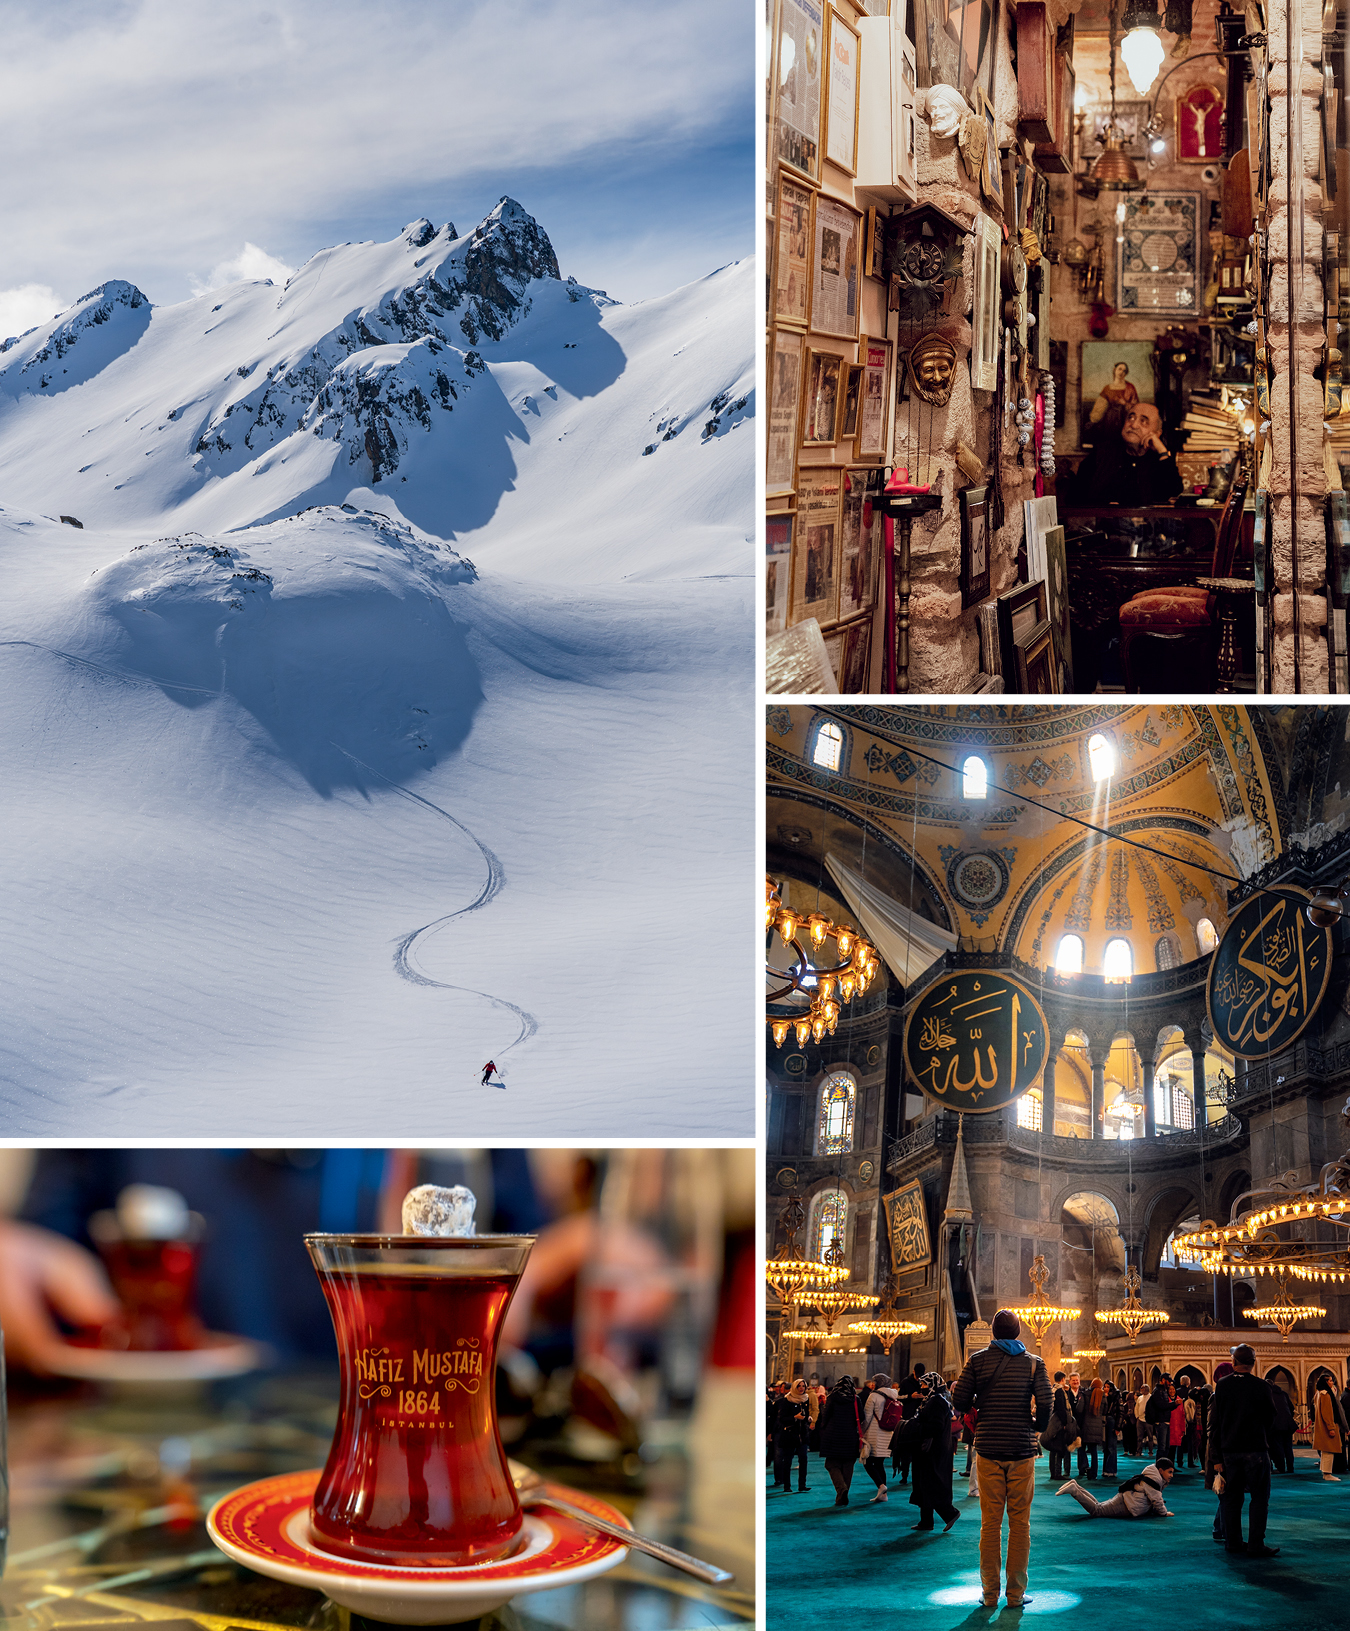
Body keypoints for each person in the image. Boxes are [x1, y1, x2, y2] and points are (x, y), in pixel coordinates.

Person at [951, 1308, 1052, 1609]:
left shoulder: (977, 1360)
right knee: (1020, 1524)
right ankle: (1016, 1595)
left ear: (993, 1333)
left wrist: (982, 1403)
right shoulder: (1034, 1363)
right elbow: (1046, 1401)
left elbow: (958, 1399)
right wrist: (1036, 1426)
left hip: (989, 1449)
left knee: (990, 1524)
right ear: (1018, 1331)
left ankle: (989, 1594)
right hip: (1021, 1449)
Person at [1210, 1343, 1279, 1557]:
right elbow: (1271, 1417)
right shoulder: (1261, 1386)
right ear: (1253, 1363)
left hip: (1229, 1452)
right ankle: (1256, 1544)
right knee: (1259, 1499)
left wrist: (1216, 1457)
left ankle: (1233, 1542)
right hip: (1256, 1451)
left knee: (1232, 1499)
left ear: (1234, 1362)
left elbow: (1215, 1424)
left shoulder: (1222, 1385)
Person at [1067, 401, 1184, 505]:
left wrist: (1162, 452)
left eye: (1143, 421)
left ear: (1157, 433)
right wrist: (1105, 505)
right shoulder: (1102, 453)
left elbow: (1173, 492)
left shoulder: (1159, 460)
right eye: (1130, 418)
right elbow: (1075, 497)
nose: (1133, 425)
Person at [895, 1370, 961, 1532]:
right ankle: (926, 1521)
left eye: (925, 1384)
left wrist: (915, 1426)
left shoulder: (936, 1401)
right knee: (924, 1485)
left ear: (933, 1385)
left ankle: (949, 1513)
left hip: (932, 1451)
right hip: (927, 1449)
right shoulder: (932, 1400)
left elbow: (935, 1426)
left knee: (930, 1484)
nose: (922, 1387)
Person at [1057, 1455, 1176, 1518]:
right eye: (1169, 1472)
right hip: (1127, 1505)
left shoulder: (1152, 1476)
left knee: (1098, 1506)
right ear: (1161, 1471)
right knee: (1097, 1511)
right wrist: (1164, 1513)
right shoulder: (1154, 1481)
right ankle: (1074, 1491)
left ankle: (1076, 1486)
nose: (1171, 1475)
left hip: (1126, 1499)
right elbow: (1157, 1500)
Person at [819, 1372, 866, 1506]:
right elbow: (861, 1417)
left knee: (831, 1464)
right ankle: (842, 1495)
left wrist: (823, 1429)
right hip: (850, 1436)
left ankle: (841, 1490)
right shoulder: (855, 1399)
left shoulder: (832, 1397)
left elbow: (825, 1416)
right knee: (848, 1466)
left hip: (833, 1436)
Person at [861, 1371, 902, 1502]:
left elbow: (867, 1417)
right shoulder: (893, 1395)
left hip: (874, 1434)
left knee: (867, 1461)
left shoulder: (873, 1396)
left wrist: (861, 1432)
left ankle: (881, 1486)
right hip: (888, 1434)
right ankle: (883, 1494)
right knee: (880, 1463)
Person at [773, 1378, 814, 1493]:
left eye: (803, 1386)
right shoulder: (787, 1400)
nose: (801, 1388)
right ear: (794, 1387)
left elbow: (804, 1415)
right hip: (790, 1435)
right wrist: (794, 1418)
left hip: (802, 1435)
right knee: (787, 1461)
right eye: (799, 1386)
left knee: (803, 1460)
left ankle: (802, 1485)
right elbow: (782, 1418)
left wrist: (808, 1418)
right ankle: (787, 1486)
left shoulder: (805, 1399)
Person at [893, 1361, 926, 1483]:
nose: (919, 1379)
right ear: (913, 1372)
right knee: (906, 1448)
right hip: (907, 1419)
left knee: (919, 1450)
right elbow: (898, 1397)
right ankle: (905, 1475)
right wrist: (910, 1396)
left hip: (921, 1420)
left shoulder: (926, 1382)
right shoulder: (905, 1382)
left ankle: (918, 1475)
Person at [1313, 1373, 1344, 1481]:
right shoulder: (1325, 1395)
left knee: (1325, 1450)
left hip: (1322, 1426)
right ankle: (1327, 1474)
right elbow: (1327, 1413)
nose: (1332, 1383)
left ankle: (1325, 1471)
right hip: (1327, 1426)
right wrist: (1331, 1427)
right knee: (1329, 1450)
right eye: (1330, 1381)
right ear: (1326, 1382)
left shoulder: (1318, 1393)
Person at [1046, 1371, 1075, 1483]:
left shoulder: (1052, 1389)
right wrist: (1064, 1423)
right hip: (1058, 1424)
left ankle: (1053, 1472)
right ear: (1063, 1379)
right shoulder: (1059, 1391)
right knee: (1059, 1447)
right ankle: (1057, 1473)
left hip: (1052, 1423)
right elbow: (1061, 1409)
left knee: (1053, 1449)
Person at [1075, 1376, 1105, 1480]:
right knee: (1094, 1451)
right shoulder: (1103, 1396)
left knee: (1081, 1447)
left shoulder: (1085, 1394)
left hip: (1086, 1426)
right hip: (1097, 1428)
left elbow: (1079, 1409)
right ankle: (1093, 1474)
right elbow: (1105, 1410)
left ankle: (1084, 1467)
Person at [1268, 1381, 1296, 1474]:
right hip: (1288, 1424)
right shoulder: (1283, 1393)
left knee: (1278, 1447)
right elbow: (1291, 1408)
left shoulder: (1269, 1394)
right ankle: (1290, 1468)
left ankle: (1281, 1468)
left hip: (1276, 1425)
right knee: (1288, 1447)